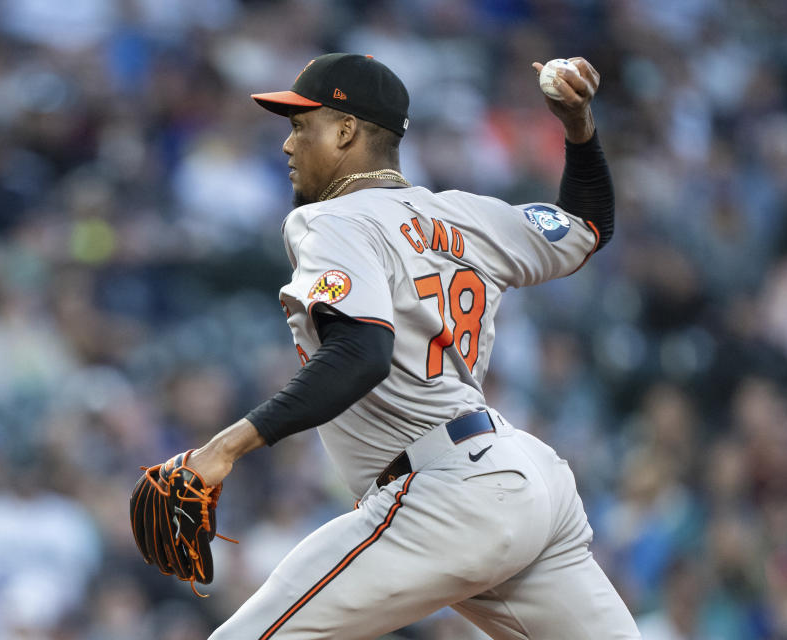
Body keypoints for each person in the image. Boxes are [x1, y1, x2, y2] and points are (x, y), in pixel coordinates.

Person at [188, 52, 641, 639]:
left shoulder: (333, 220)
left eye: (302, 126)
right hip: (524, 481)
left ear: (346, 130)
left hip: (445, 492)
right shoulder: (466, 216)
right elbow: (588, 223)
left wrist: (225, 447)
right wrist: (579, 129)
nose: (288, 145)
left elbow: (362, 351)